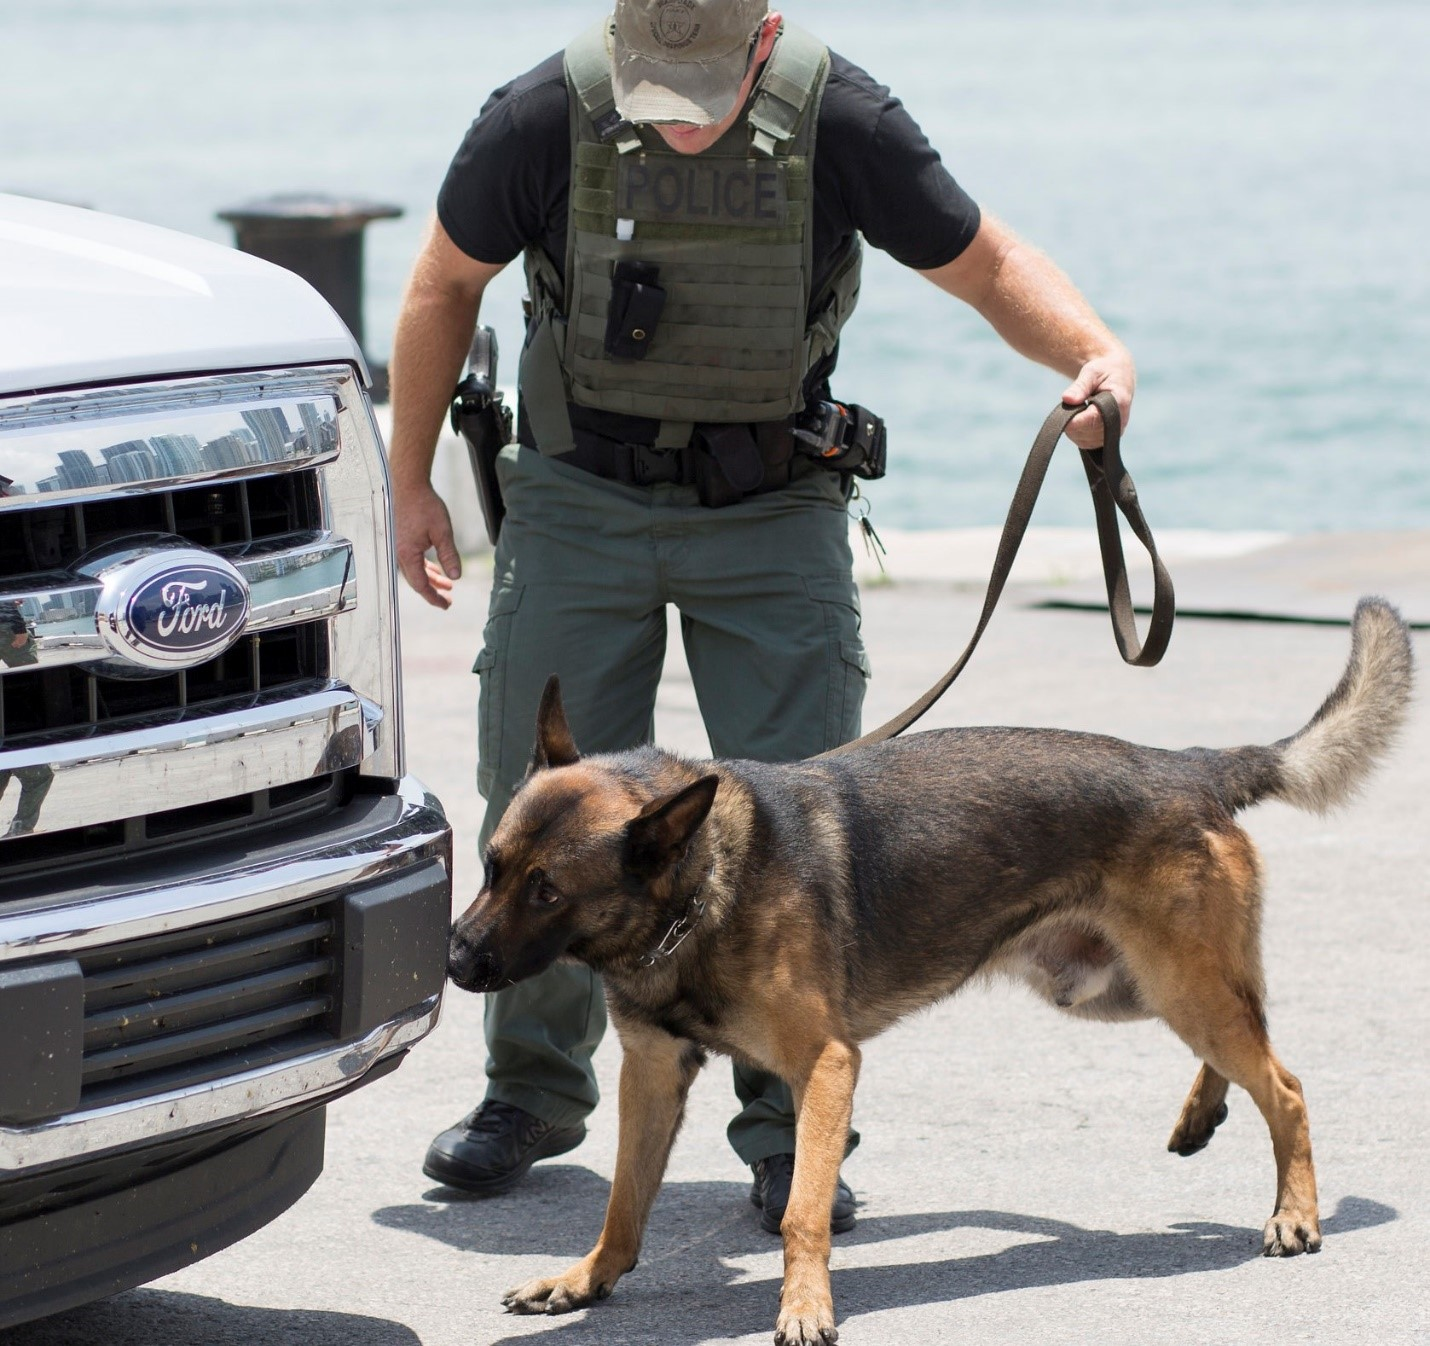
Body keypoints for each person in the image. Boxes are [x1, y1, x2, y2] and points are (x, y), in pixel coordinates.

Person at [387, 0, 1135, 1233]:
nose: (676, 120)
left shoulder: (839, 115)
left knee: (799, 829)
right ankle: (528, 1091)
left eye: (703, 86)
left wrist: (1092, 352)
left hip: (772, 504)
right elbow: (445, 280)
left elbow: (984, 261)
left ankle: (790, 1133)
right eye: (656, 84)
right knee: (532, 809)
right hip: (578, 498)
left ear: (762, 35)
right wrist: (411, 478)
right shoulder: (544, 111)